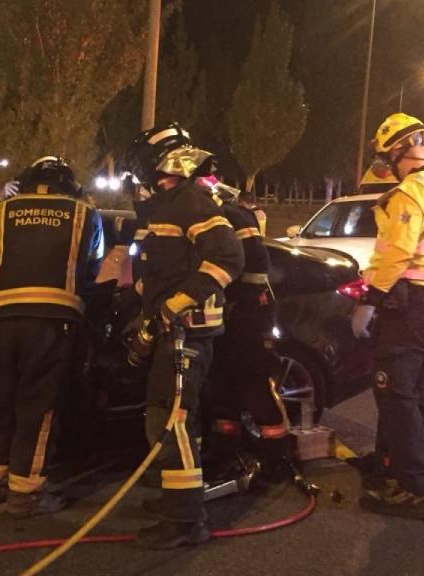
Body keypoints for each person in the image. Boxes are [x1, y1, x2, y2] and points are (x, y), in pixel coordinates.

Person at [124, 122, 244, 549]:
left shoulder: (191, 200)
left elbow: (229, 257)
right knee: (164, 417)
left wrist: (175, 305)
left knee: (173, 420)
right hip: (170, 329)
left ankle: (186, 519)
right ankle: (175, 501)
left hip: (187, 332)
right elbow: (161, 267)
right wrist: (147, 301)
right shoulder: (170, 203)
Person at [351, 113, 424, 519]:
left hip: (410, 305)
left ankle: (412, 487)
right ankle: (404, 465)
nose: (389, 166)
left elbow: (397, 253)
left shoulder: (411, 192)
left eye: (388, 158)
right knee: (418, 390)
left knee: (395, 392)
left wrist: (369, 300)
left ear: (401, 150)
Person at [0, 156, 104, 517]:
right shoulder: (82, 213)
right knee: (37, 403)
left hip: (0, 317)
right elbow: (92, 264)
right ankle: (26, 493)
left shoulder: (2, 212)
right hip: (52, 318)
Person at [206, 179, 290, 470]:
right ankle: (226, 452)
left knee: (255, 384)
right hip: (232, 315)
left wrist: (230, 297)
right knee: (223, 385)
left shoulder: (233, 220)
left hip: (249, 314)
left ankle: (276, 456)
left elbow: (253, 269)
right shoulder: (227, 218)